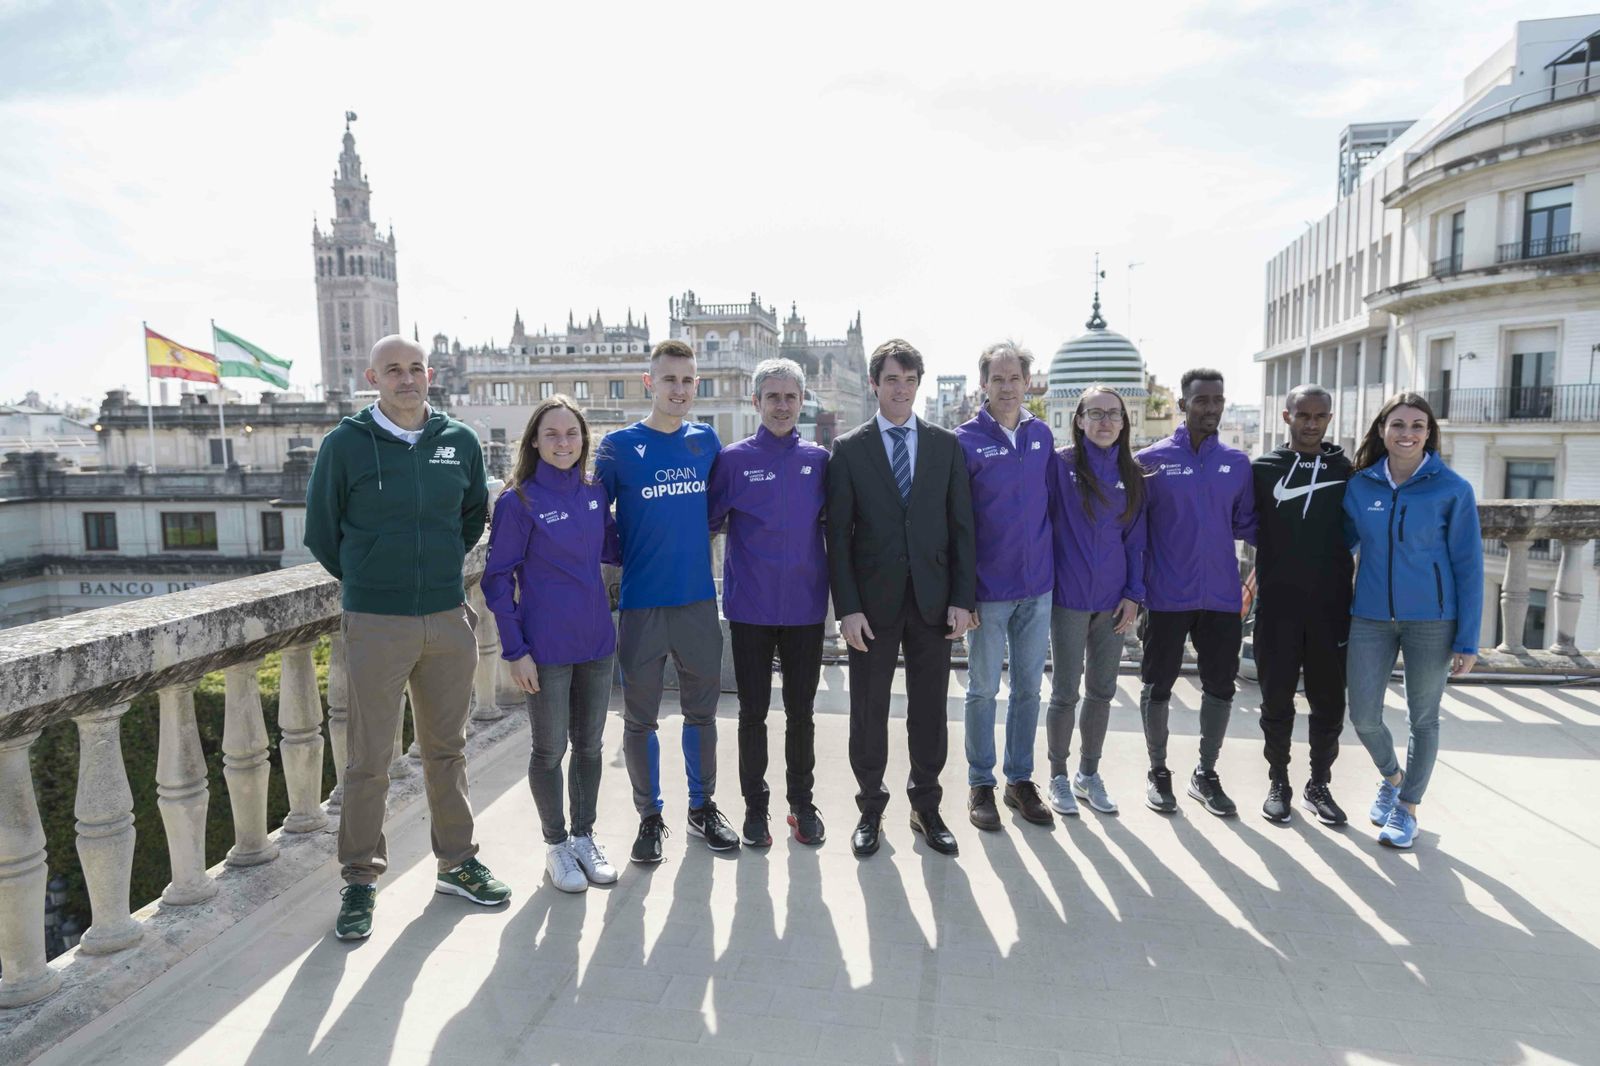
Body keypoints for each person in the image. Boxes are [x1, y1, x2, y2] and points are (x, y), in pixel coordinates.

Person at [304, 334, 509, 941]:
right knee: (370, 760)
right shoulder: (344, 445)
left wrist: (437, 572)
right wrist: (373, 580)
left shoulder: (459, 441)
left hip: (447, 618)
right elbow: (322, 532)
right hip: (376, 623)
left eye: (415, 368)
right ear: (372, 377)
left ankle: (457, 863)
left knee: (447, 750)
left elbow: (473, 517)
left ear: (431, 374)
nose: (406, 378)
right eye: (393, 370)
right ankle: (360, 881)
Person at [826, 338, 977, 858]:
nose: (902, 389)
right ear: (875, 384)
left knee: (930, 708)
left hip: (934, 603)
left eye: (910, 380)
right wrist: (847, 607)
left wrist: (963, 598)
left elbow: (962, 528)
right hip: (871, 606)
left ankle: (926, 806)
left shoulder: (945, 445)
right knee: (867, 709)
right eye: (892, 380)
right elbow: (838, 537)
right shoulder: (847, 450)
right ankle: (870, 807)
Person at [595, 338, 737, 862]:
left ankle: (702, 810)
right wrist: (624, 550)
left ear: (695, 385)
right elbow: (594, 514)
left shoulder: (707, 442)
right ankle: (650, 819)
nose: (679, 390)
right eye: (669, 380)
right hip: (642, 605)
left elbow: (720, 509)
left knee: (703, 715)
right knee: (640, 720)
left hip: (698, 601)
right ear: (649, 383)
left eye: (687, 380)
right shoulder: (617, 446)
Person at [482, 396, 621, 893]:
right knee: (549, 750)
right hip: (545, 648)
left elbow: (613, 546)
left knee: (589, 746)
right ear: (535, 442)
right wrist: (515, 650)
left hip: (598, 642)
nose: (564, 443)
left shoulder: (593, 491)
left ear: (584, 439)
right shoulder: (518, 502)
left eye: (572, 434)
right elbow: (496, 582)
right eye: (552, 435)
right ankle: (556, 845)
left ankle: (585, 837)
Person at [1343, 392, 1482, 849]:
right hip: (1369, 616)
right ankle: (1393, 776)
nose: (1408, 433)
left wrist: (1467, 640)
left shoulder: (1452, 488)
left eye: (1418, 425)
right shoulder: (1360, 485)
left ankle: (1407, 809)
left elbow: (1468, 566)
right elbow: (1334, 545)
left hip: (1433, 620)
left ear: (1429, 433)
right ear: (1382, 429)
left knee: (1424, 719)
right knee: (1363, 716)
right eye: (1398, 424)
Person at [708, 358, 830, 848]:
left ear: (802, 402)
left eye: (790, 397)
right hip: (750, 608)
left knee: (801, 713)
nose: (782, 406)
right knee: (752, 713)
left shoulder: (820, 461)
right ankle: (755, 807)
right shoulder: (734, 460)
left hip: (805, 607)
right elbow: (706, 524)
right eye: (772, 397)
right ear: (755, 402)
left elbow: (840, 529)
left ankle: (801, 803)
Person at [1135, 368, 1257, 817]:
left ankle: (1205, 773)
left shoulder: (1238, 463)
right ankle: (1158, 771)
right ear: (1182, 405)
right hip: (1166, 597)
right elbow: (1134, 531)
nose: (1210, 408)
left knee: (1220, 688)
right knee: (1157, 686)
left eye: (1218, 400)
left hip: (1222, 597)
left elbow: (1250, 526)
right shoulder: (1150, 460)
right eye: (1201, 400)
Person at [955, 341, 1055, 830]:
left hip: (1038, 588)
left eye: (1016, 378)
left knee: (1029, 690)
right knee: (982, 690)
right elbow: (957, 522)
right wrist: (963, 591)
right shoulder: (965, 440)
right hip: (988, 592)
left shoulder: (1042, 436)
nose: (1008, 387)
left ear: (1028, 382)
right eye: (998, 379)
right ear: (984, 384)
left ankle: (1019, 780)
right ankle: (980, 783)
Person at [1250, 384, 1353, 826]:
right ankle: (1279, 782)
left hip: (1332, 606)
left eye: (1320, 416)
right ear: (1286, 417)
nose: (1312, 423)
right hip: (1277, 605)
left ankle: (1319, 784)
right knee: (1276, 700)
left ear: (1329, 419)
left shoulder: (1347, 469)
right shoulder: (1262, 470)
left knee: (1328, 702)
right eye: (1303, 415)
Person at [1044, 385, 1146, 817]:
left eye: (1114, 415)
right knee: (1065, 692)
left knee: (1102, 691)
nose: (1105, 421)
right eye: (1095, 413)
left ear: (1124, 424)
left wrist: (1133, 595)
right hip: (1066, 599)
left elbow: (1137, 539)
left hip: (1112, 603)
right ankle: (1058, 776)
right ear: (1079, 420)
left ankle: (1089, 773)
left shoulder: (1133, 474)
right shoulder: (1059, 465)